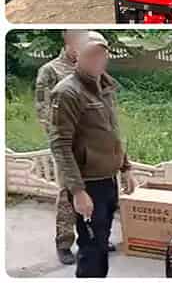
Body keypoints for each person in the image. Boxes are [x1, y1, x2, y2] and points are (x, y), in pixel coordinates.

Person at [49, 31, 135, 278]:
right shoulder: (67, 92)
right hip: (88, 184)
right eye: (91, 53)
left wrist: (125, 167)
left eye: (101, 53)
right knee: (91, 248)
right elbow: (61, 145)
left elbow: (112, 133)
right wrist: (77, 191)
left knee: (101, 243)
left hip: (108, 180)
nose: (97, 58)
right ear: (77, 55)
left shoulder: (104, 85)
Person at [35, 31, 85, 265]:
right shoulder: (51, 71)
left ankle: (93, 238)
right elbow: (43, 110)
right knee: (68, 193)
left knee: (95, 190)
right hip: (67, 144)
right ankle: (64, 243)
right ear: (68, 40)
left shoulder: (90, 67)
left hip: (92, 143)